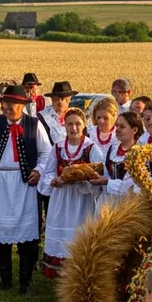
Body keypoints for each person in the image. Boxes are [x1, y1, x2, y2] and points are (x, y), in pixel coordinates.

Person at [0, 86, 50, 295]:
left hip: (25, 183)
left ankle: (25, 282)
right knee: (0, 234)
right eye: (5, 104)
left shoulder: (34, 125)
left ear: (22, 106)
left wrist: (38, 170)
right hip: (0, 182)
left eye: (11, 105)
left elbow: (47, 153)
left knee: (28, 236)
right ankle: (5, 279)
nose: (7, 108)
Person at [39, 108, 103, 278]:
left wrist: (82, 178)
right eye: (70, 124)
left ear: (84, 125)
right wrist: (54, 180)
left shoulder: (91, 148)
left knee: (79, 236)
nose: (73, 128)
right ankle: (60, 277)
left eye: (77, 124)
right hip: (61, 199)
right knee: (61, 236)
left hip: (82, 201)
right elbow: (49, 172)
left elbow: (99, 176)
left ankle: (79, 277)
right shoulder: (58, 148)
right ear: (64, 125)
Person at [100, 110, 143, 208]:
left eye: (122, 127)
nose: (117, 129)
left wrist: (107, 182)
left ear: (134, 130)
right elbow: (105, 172)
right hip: (108, 201)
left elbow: (133, 185)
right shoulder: (112, 148)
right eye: (117, 126)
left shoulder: (139, 152)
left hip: (128, 203)